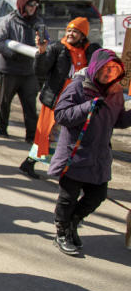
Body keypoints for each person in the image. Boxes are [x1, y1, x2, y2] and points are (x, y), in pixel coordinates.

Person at [47, 49, 131, 255]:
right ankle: (62, 232)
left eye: (114, 70)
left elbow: (118, 121)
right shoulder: (79, 86)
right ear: (96, 68)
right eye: (106, 69)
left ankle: (73, 222)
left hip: (99, 156)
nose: (109, 73)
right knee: (68, 197)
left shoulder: (115, 92)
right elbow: (61, 114)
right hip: (75, 153)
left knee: (98, 195)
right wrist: (87, 107)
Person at [20, 17, 100, 178]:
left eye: (75, 31)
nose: (70, 34)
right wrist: (42, 52)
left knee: (69, 137)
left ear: (83, 34)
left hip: (77, 101)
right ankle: (31, 163)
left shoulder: (90, 51)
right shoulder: (57, 48)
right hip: (56, 100)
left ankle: (58, 167)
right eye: (69, 30)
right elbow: (40, 71)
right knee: (48, 134)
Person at [0, 0, 46, 141]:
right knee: (5, 102)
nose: (33, 8)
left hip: (29, 71)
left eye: (36, 5)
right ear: (23, 5)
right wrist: (11, 53)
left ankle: (31, 136)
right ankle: (2, 129)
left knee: (30, 105)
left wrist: (42, 45)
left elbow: (45, 43)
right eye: (30, 5)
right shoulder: (10, 21)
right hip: (10, 70)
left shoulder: (39, 23)